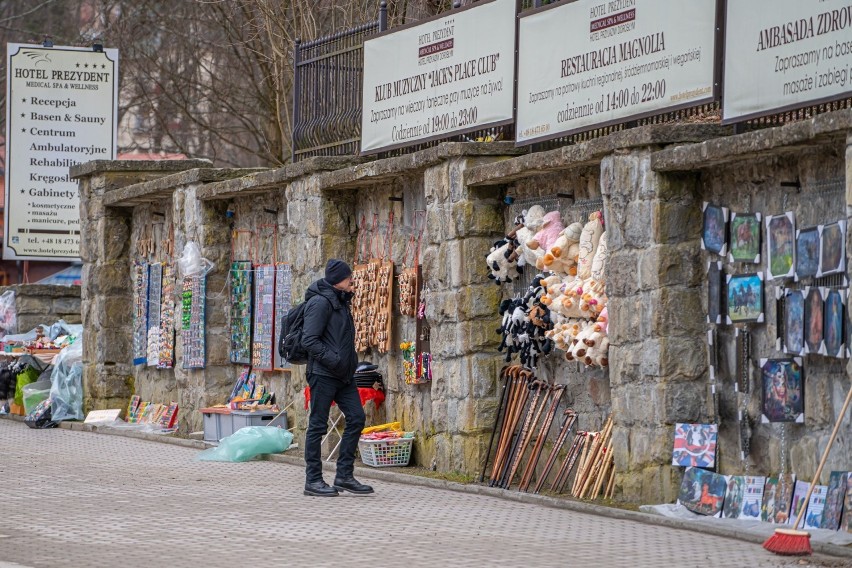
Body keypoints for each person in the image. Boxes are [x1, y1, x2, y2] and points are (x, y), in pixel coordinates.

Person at [301, 259, 373, 497]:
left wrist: (345, 365)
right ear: (338, 280)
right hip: (323, 374)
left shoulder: (341, 301)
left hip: (343, 375)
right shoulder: (320, 303)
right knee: (318, 426)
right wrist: (333, 360)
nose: (352, 280)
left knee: (356, 417)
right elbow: (309, 340)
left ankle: (344, 475)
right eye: (349, 276)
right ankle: (313, 480)